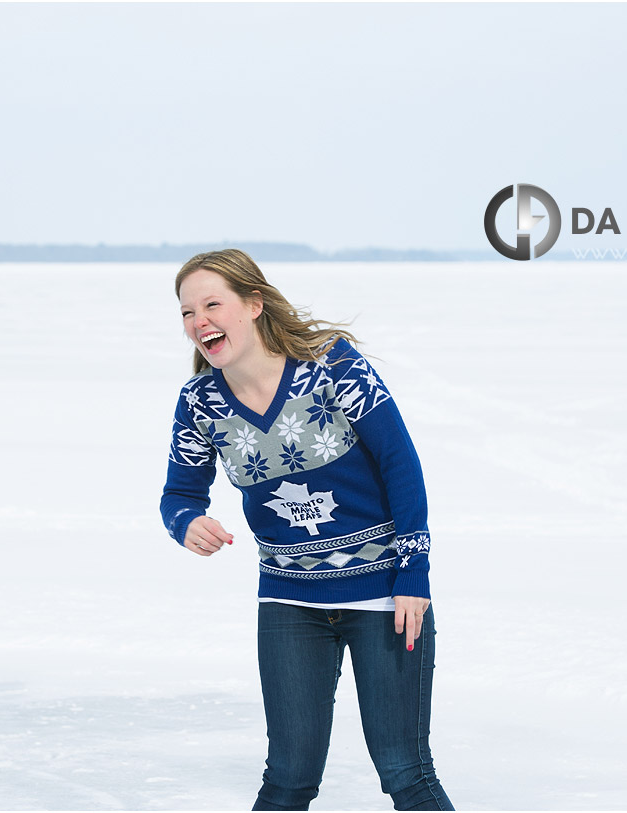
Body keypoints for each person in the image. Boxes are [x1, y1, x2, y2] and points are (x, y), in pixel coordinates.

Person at [160, 249, 452, 811]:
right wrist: (188, 523)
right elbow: (180, 495)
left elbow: (401, 465)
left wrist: (414, 575)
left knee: (407, 773)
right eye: (186, 312)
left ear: (253, 304)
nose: (199, 322)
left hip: (385, 595)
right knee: (288, 779)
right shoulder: (199, 404)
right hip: (288, 601)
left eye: (211, 304)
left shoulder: (333, 367)